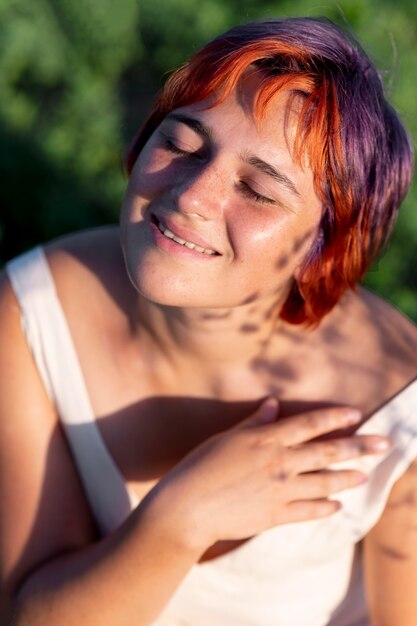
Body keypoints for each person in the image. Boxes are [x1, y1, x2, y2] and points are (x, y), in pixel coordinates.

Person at [1, 15, 416, 626]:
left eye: (259, 190)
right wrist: (185, 515)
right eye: (184, 144)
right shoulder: (31, 312)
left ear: (323, 250)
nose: (193, 196)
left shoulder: (397, 402)